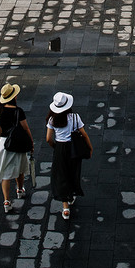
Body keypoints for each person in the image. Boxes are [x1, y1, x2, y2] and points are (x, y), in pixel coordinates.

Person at [0, 83, 33, 213]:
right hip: (18, 142)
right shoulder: (19, 111)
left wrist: (2, 135)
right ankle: (20, 189)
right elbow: (26, 128)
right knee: (21, 167)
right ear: (14, 97)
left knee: (6, 174)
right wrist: (31, 143)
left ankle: (6, 201)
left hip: (4, 143)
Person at [45, 92, 92, 220]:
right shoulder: (75, 118)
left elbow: (48, 138)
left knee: (61, 174)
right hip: (73, 148)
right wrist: (90, 148)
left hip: (60, 148)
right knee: (73, 171)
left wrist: (56, 147)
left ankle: (65, 207)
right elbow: (84, 134)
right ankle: (71, 194)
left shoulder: (52, 119)